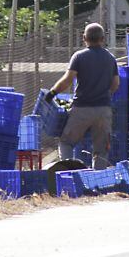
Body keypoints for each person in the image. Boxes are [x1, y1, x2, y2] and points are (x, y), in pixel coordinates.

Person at [45, 22, 119, 170]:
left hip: (82, 109)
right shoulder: (110, 58)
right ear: (103, 39)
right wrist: (105, 94)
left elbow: (68, 80)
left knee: (66, 142)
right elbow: (115, 83)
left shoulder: (79, 56)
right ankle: (98, 183)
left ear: (84, 38)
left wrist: (52, 93)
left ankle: (66, 172)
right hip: (103, 110)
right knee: (101, 150)